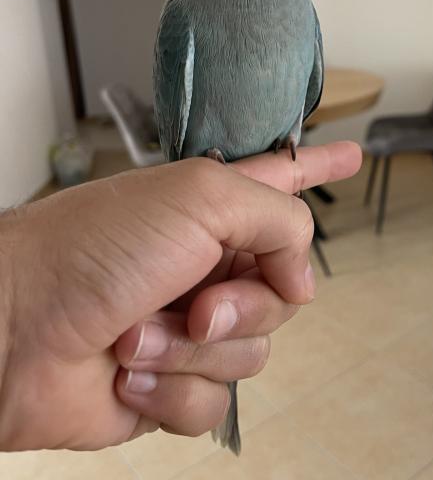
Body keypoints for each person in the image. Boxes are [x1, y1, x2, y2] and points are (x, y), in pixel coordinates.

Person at [0, 141, 361, 452]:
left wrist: (15, 332)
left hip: (229, 222)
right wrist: (16, 298)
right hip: (201, 217)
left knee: (216, 331)